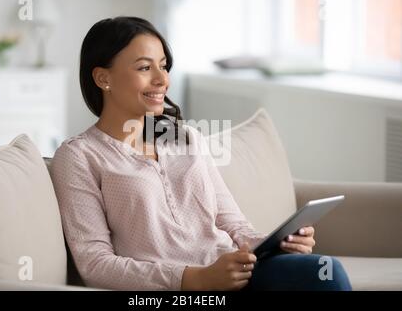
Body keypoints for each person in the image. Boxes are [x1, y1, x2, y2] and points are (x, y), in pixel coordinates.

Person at [50, 16, 352, 291]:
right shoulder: (79, 156)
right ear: (103, 78)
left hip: (239, 273)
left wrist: (276, 244)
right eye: (144, 67)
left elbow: (234, 224)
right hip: (179, 290)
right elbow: (95, 265)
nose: (161, 79)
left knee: (325, 271)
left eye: (164, 65)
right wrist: (193, 278)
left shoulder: (186, 138)